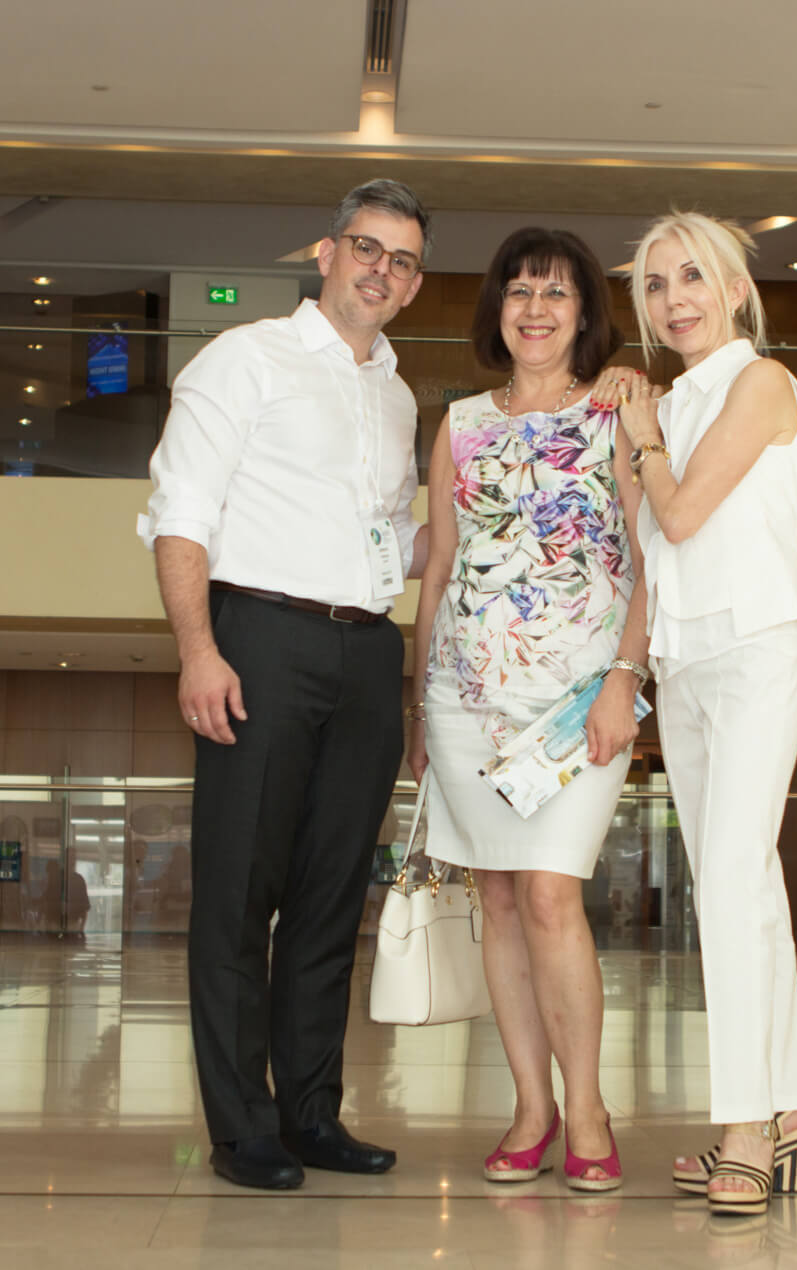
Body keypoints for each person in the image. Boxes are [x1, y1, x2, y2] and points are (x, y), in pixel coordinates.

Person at [140, 178, 431, 1191]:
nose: (380, 270)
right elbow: (181, 511)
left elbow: (389, 540)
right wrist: (199, 649)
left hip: (367, 650)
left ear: (414, 284)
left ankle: (311, 1115)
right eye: (367, 247)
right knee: (239, 893)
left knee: (328, 895)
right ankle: (242, 1127)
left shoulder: (396, 395)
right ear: (326, 252)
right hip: (259, 638)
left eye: (401, 260)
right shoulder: (245, 357)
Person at [407, 228, 650, 1192]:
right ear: (496, 310)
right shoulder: (460, 422)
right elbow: (438, 571)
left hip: (575, 706)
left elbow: (650, 561)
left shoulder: (617, 411)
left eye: (555, 293)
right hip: (465, 699)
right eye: (518, 291)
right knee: (499, 899)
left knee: (550, 893)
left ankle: (586, 1108)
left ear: (584, 311)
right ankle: (530, 1108)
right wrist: (417, 708)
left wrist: (626, 678)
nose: (535, 309)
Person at [599, 211, 797, 1217]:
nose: (673, 298)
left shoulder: (760, 383)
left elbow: (685, 512)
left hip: (758, 644)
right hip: (686, 661)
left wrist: (644, 438)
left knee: (729, 881)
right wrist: (628, 668)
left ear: (734, 289)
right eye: (654, 284)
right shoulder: (672, 404)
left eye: (692, 276)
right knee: (744, 883)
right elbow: (650, 544)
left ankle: (745, 1125)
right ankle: (787, 1109)